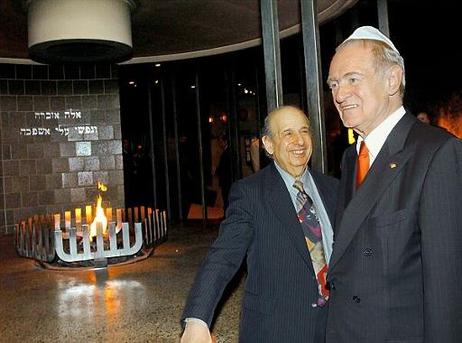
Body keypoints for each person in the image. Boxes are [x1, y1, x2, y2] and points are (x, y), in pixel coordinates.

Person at [326, 26, 462, 342]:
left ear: (392, 79)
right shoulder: (351, 158)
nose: (339, 94)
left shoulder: (437, 153)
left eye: (352, 79)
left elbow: (447, 289)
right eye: (334, 83)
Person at [180, 106, 338, 342]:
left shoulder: (334, 189)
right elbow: (224, 256)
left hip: (335, 327)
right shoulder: (250, 194)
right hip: (277, 329)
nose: (300, 141)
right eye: (288, 133)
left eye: (304, 131)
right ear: (269, 144)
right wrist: (197, 320)